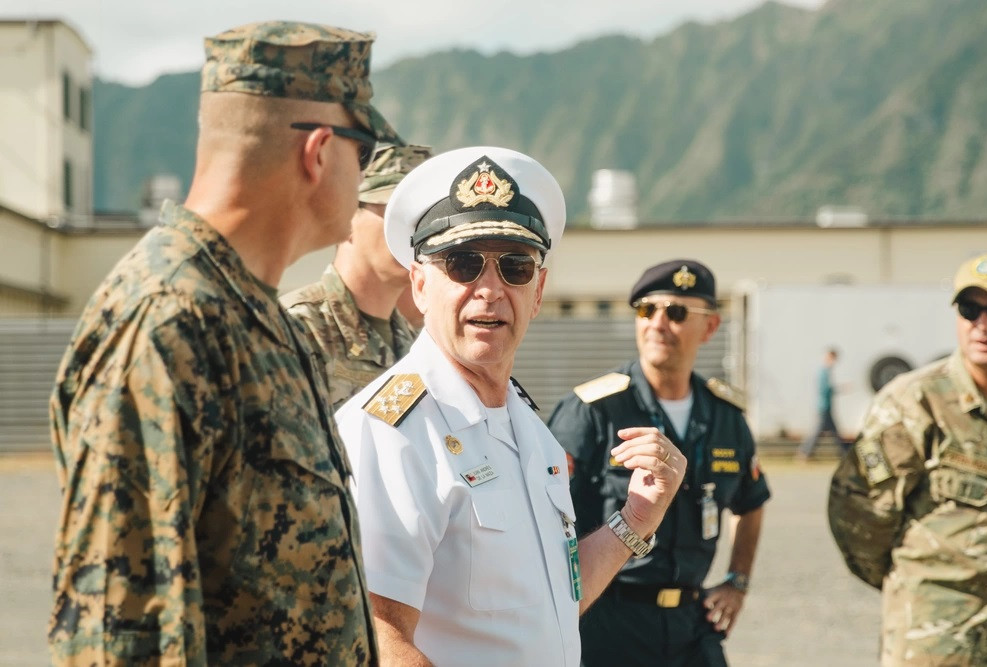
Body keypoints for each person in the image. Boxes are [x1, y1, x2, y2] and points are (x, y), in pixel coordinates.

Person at [47, 21, 402, 665]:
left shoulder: (255, 316)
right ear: (318, 152)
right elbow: (121, 632)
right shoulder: (167, 322)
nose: (366, 177)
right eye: (366, 149)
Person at [335, 146, 687, 666]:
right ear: (420, 284)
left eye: (516, 266)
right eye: (463, 263)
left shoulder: (526, 424)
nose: (491, 289)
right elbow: (378, 639)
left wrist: (636, 519)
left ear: (539, 289)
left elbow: (551, 603)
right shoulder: (395, 430)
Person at [547, 259, 771, 666]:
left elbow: (751, 501)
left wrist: (737, 581)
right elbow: (549, 514)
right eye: (648, 310)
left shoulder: (725, 416)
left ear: (710, 327)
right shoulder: (595, 410)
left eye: (678, 312)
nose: (658, 323)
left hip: (691, 622)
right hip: (607, 622)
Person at [828, 251, 987, 665]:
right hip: (939, 638)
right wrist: (917, 584)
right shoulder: (915, 402)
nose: (983, 325)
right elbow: (859, 516)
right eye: (969, 309)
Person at [283, 144, 431, 412]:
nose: (414, 234)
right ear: (348, 215)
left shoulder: (416, 345)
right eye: (396, 215)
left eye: (424, 220)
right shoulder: (297, 329)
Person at [797, 347, 849, 460]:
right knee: (817, 431)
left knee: (834, 432)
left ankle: (845, 452)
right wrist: (840, 389)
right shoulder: (823, 372)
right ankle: (804, 452)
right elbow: (825, 389)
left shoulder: (826, 371)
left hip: (827, 406)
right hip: (823, 406)